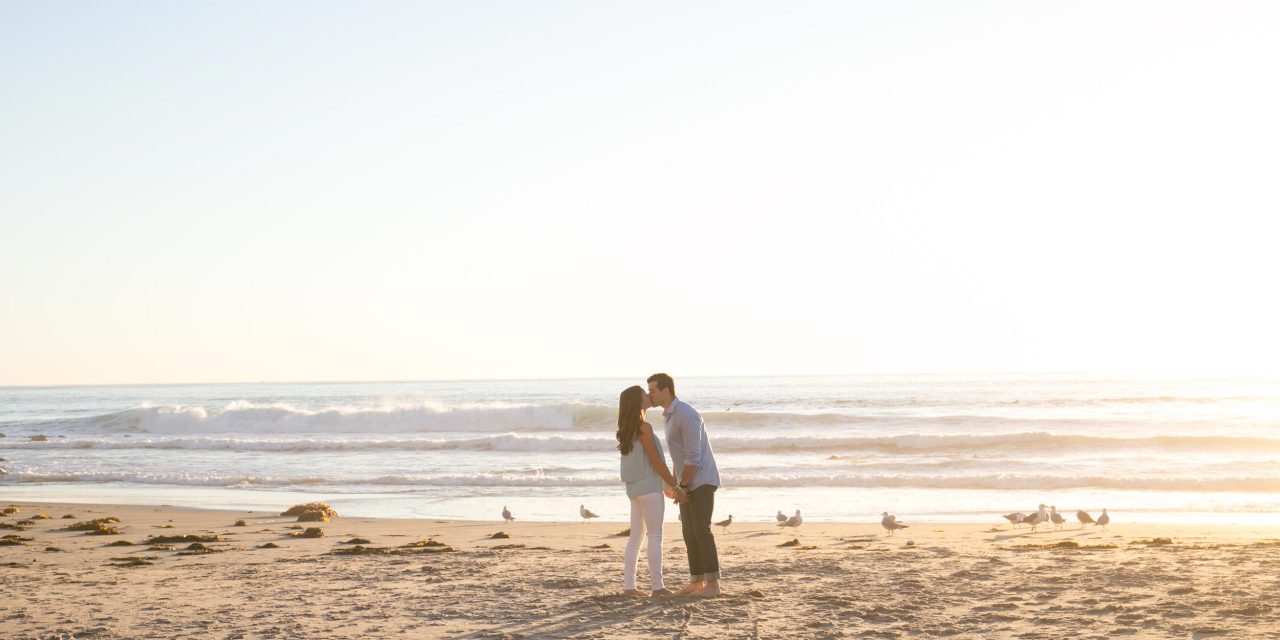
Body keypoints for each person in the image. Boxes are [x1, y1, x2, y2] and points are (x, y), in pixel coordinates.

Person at [647, 372, 722, 597]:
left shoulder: (686, 414)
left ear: (665, 391)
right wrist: (674, 483)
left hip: (701, 480)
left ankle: (713, 585)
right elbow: (678, 455)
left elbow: (693, 456)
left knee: (701, 530)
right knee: (689, 532)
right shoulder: (668, 416)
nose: (649, 395)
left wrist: (683, 485)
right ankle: (697, 582)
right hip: (686, 481)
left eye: (652, 391)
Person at [616, 385, 679, 597]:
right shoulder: (644, 428)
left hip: (634, 490)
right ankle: (658, 587)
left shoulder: (626, 430)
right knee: (655, 536)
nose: (648, 396)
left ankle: (629, 587)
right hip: (650, 490)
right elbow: (656, 462)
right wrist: (673, 484)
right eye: (644, 394)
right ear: (637, 401)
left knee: (636, 537)